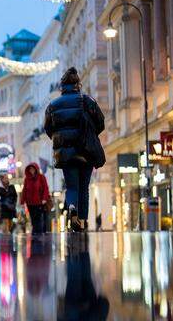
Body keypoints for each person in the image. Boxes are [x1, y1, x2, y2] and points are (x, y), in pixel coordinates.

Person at [44, 67, 105, 232]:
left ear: (62, 86)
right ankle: (83, 221)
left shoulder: (52, 106)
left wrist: (62, 140)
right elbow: (100, 122)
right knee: (84, 187)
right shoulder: (87, 100)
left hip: (65, 154)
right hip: (85, 151)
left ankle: (71, 207)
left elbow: (48, 129)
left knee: (72, 186)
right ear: (78, 83)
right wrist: (89, 135)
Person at [21, 163, 50, 234]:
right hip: (30, 203)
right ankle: (35, 232)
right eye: (30, 169)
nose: (32, 170)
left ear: (36, 169)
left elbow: (45, 188)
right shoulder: (27, 179)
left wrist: (44, 198)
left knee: (38, 218)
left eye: (33, 169)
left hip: (39, 202)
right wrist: (22, 201)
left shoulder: (41, 177)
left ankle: (38, 232)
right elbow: (24, 190)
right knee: (33, 218)